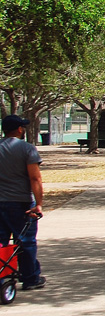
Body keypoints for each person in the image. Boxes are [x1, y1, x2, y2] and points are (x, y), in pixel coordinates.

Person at [0, 115, 45, 291]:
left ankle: (3, 273)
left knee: (2, 241)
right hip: (20, 203)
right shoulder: (27, 149)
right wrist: (39, 203)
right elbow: (35, 177)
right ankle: (30, 278)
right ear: (19, 129)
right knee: (25, 241)